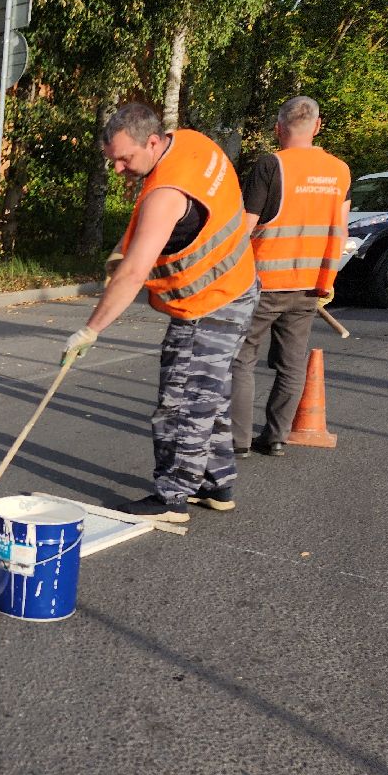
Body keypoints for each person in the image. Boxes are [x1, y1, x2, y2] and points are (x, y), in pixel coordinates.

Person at [61, 103, 260, 523]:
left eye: (124, 158)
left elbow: (134, 273)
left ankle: (171, 497)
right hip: (239, 284)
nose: (118, 169)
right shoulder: (194, 143)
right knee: (210, 393)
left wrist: (90, 330)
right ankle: (217, 484)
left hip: (206, 303)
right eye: (112, 159)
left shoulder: (167, 193)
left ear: (152, 141)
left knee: (182, 401)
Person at [229, 96, 350, 457]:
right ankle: (277, 436)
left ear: (279, 128)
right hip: (311, 284)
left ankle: (237, 442)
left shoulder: (271, 166)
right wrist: (327, 282)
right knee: (292, 365)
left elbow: (246, 226)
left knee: (241, 358)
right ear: (317, 126)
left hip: (263, 282)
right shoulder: (340, 171)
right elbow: (340, 231)